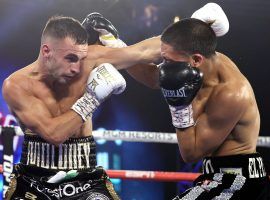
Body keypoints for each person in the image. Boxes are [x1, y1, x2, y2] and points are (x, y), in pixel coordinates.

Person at [2, 15, 160, 200]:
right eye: (70, 58)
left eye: (80, 58)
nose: (77, 68)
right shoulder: (16, 85)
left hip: (85, 179)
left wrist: (197, 26)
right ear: (47, 51)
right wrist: (91, 99)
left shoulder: (88, 59)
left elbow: (144, 51)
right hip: (34, 180)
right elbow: (54, 134)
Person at [126, 3, 270, 199]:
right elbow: (153, 77)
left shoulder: (231, 93)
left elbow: (191, 152)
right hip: (214, 177)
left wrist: (179, 106)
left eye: (168, 61)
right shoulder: (202, 65)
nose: (164, 67)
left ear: (196, 60)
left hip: (240, 181)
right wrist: (115, 47)